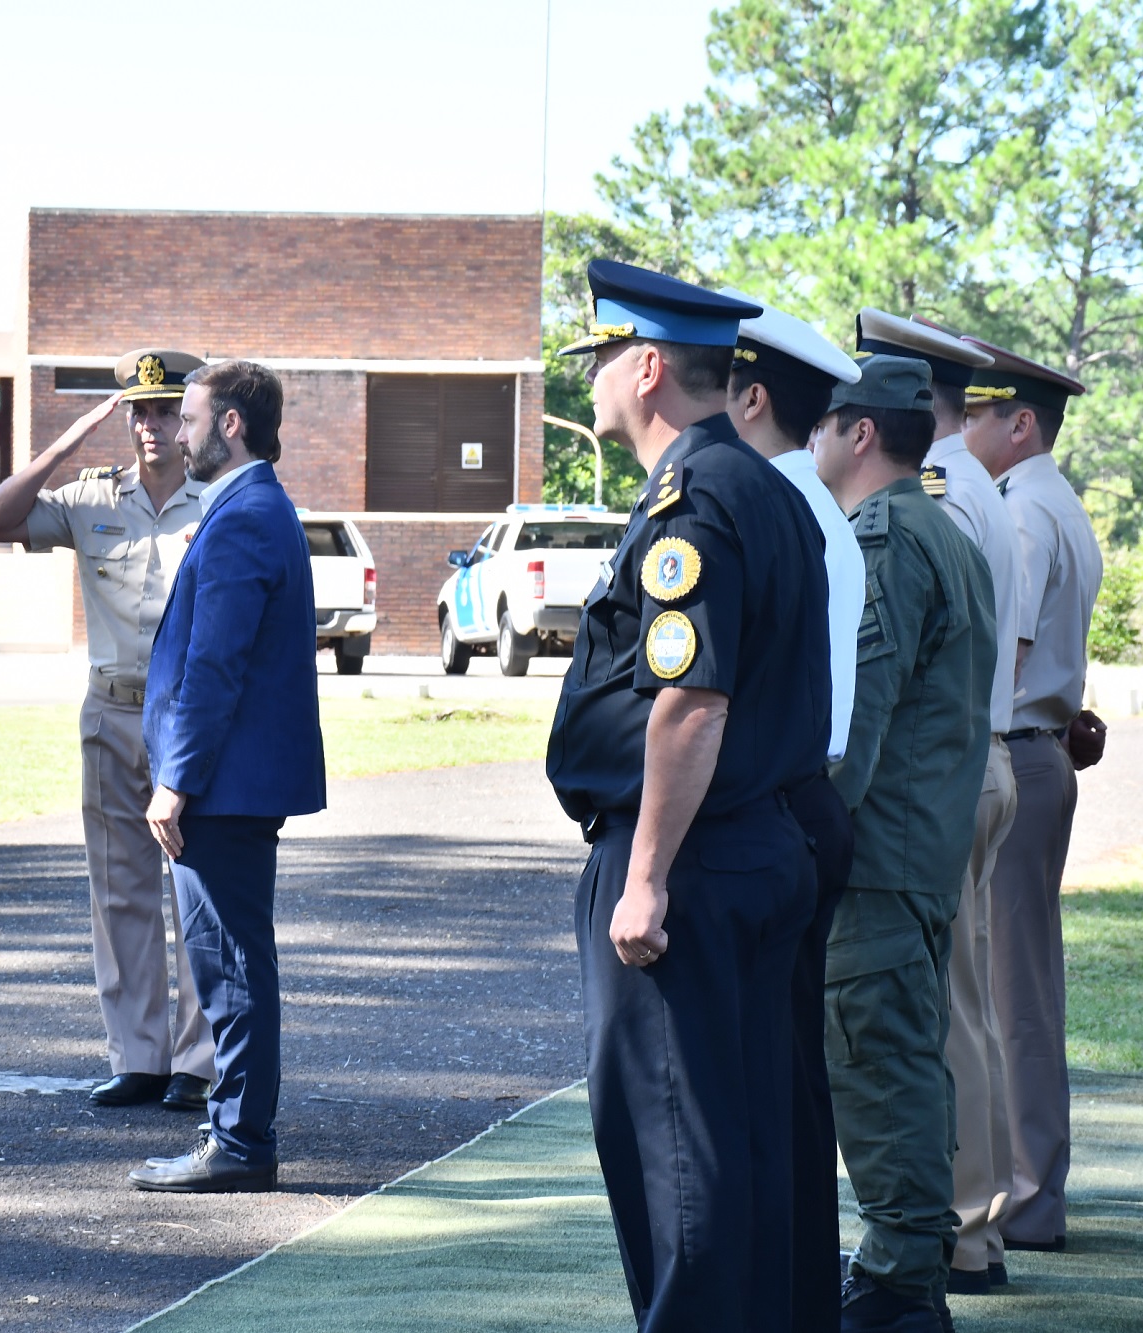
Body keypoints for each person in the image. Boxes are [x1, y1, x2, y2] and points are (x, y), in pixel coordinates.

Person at [546, 261, 828, 1329]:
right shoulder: (762, 485)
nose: (592, 378)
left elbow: (690, 704)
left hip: (691, 860)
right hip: (756, 843)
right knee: (754, 1140)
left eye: (603, 358)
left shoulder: (695, 496)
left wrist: (646, 878)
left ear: (648, 367)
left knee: (677, 1153)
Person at [0, 347, 215, 1113]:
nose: (151, 426)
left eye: (166, 411)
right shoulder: (90, 496)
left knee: (198, 887)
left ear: (189, 418)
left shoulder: (216, 501)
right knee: (120, 889)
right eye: (139, 412)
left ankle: (198, 1061)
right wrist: (66, 441)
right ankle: (139, 1057)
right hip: (111, 711)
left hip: (189, 717)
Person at [811, 354, 996, 1332]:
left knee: (878, 1063)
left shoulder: (882, 536)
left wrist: (807, 840)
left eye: (821, 422)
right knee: (910, 1061)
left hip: (877, 856)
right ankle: (906, 1271)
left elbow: (855, 724)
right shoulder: (945, 530)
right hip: (919, 849)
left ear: (858, 432)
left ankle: (896, 1279)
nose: (811, 439)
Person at [856, 310, 1021, 1293]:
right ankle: (967, 1227)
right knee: (960, 1013)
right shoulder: (964, 496)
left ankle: (949, 1237)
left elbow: (893, 679)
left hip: (929, 784)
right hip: (969, 769)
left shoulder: (929, 508)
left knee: (926, 1022)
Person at [130, 359, 324, 1193]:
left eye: (189, 417)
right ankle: (237, 1132)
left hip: (222, 786)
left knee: (230, 964)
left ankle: (241, 1141)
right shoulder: (249, 508)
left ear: (231, 424)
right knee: (229, 961)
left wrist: (176, 781)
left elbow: (215, 665)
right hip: (233, 781)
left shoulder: (244, 515)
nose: (177, 432)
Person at [722, 294, 864, 1333]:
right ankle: (800, 1293)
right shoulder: (813, 507)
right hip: (808, 794)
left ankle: (770, 1296)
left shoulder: (764, 507)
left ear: (752, 400)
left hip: (769, 799)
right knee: (791, 1081)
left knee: (754, 1083)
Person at [957, 336, 1102, 1255]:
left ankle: (1027, 1198)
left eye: (977, 412)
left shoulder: (1020, 511)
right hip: (1043, 750)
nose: (963, 425)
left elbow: (1005, 660)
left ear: (1020, 424)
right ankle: (1029, 1190)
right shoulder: (1056, 501)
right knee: (1021, 987)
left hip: (1016, 749)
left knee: (1011, 994)